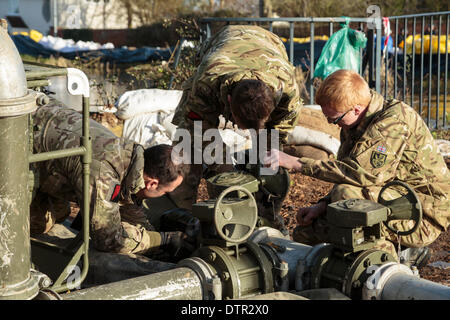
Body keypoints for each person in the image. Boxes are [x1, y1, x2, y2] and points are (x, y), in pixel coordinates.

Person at [264, 69, 450, 267]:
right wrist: (323, 205)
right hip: (390, 196)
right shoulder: (353, 125)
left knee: (346, 195)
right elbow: (347, 174)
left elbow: (360, 175)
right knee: (305, 233)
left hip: (420, 213)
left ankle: (391, 260)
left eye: (334, 119)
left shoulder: (392, 123)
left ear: (356, 109)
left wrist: (295, 163)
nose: (331, 124)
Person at [170, 25, 303, 230]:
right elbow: (198, 127)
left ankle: (266, 219)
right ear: (229, 101)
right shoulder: (208, 80)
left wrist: (266, 160)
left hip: (269, 44)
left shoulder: (287, 91)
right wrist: (226, 172)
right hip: (222, 44)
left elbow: (277, 134)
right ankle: (183, 221)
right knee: (187, 149)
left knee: (270, 160)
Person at [30, 99, 193, 257]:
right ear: (152, 184)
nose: (164, 195)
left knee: (60, 211)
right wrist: (160, 241)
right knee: (41, 222)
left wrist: (153, 235)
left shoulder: (128, 155)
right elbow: (109, 239)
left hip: (37, 123)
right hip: (18, 146)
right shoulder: (104, 171)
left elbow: (126, 202)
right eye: (165, 192)